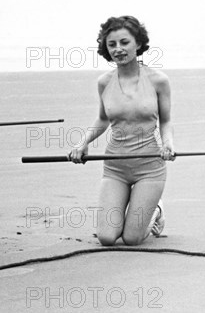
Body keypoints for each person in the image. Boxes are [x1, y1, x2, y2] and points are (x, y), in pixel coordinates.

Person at [69, 16, 175, 245]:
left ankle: (155, 210)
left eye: (124, 42)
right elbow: (102, 119)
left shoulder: (159, 81)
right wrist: (82, 143)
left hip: (149, 166)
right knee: (107, 238)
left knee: (132, 239)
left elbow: (165, 121)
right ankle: (136, 208)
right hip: (115, 165)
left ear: (138, 43)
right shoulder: (104, 82)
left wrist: (168, 144)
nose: (118, 49)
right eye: (112, 45)